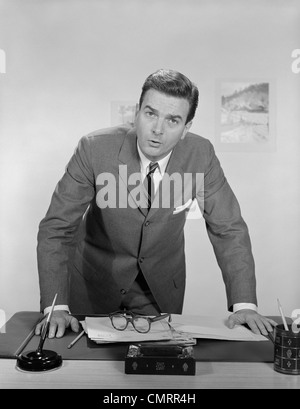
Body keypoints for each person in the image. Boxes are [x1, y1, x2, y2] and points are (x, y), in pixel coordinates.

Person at [35, 69, 277, 339]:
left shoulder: (201, 155)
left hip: (158, 291)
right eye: (150, 114)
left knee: (155, 374)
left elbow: (228, 228)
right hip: (93, 284)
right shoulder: (94, 149)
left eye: (173, 120)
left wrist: (244, 304)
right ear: (137, 112)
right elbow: (57, 228)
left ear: (186, 128)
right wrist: (54, 307)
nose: (158, 130)